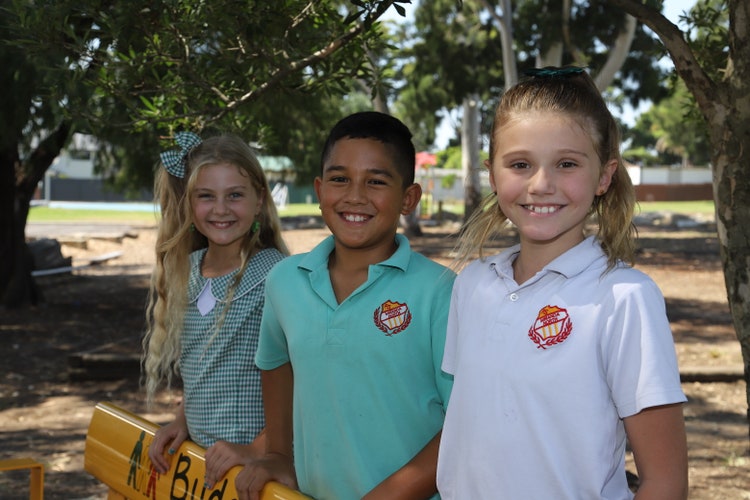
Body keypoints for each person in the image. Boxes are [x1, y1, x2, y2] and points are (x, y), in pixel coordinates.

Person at [436, 67, 689, 499]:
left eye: (566, 164)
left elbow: (665, 483)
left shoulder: (624, 298)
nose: (541, 184)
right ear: (493, 176)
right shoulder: (472, 285)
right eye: (520, 164)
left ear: (604, 177)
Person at [235, 111, 455, 500]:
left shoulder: (440, 292)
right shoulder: (285, 282)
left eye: (376, 181)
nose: (355, 195)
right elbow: (276, 364)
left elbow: (465, 422)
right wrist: (276, 453)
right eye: (340, 179)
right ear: (319, 190)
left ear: (409, 198)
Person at [142, 132, 289, 488]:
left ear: (259, 201)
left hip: (253, 474)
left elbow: (305, 380)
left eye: (235, 195)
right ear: (189, 205)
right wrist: (182, 421)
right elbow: (200, 368)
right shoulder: (186, 270)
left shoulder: (277, 276)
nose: (220, 209)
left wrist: (258, 448)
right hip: (202, 465)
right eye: (206, 196)